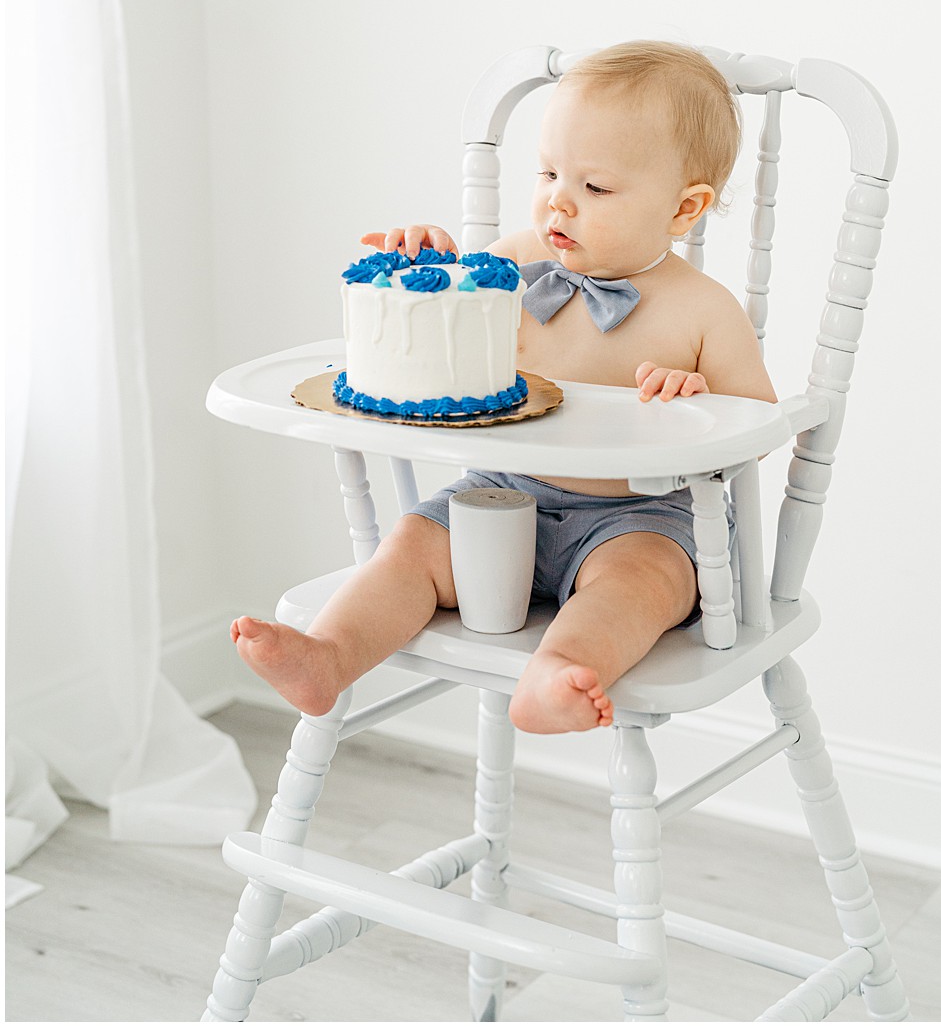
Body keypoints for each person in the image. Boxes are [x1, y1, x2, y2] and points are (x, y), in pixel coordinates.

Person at [233, 40, 776, 733]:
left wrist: (696, 400)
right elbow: (450, 302)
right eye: (549, 171)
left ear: (684, 208)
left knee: (640, 585)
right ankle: (329, 655)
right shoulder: (518, 262)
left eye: (595, 186)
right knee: (410, 547)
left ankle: (557, 672)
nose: (559, 199)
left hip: (640, 518)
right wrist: (429, 259)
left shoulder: (703, 307)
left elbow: (759, 425)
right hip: (497, 492)